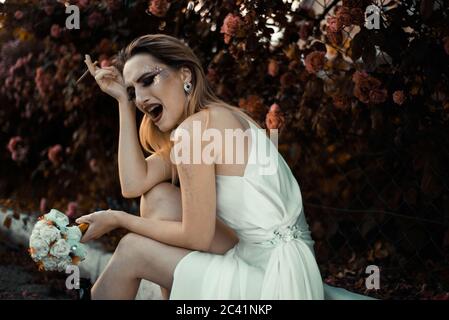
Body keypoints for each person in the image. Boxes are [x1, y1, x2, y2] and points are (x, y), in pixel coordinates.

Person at [76, 34, 374, 300]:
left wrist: (117, 218)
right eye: (132, 91)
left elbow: (197, 238)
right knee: (158, 198)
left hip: (278, 283)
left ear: (184, 75)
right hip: (284, 265)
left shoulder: (198, 129)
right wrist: (121, 104)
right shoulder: (217, 118)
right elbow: (133, 183)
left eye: (147, 80)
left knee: (131, 250)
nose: (140, 99)